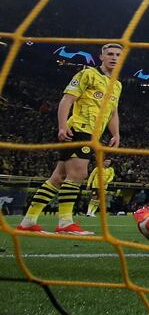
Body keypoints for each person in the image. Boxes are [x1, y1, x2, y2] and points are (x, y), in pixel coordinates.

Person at [17, 43, 123, 235]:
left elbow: (113, 112)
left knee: (58, 177)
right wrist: (62, 125)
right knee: (79, 174)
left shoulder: (117, 85)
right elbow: (67, 99)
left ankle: (28, 221)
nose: (114, 57)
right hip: (79, 129)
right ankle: (65, 223)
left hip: (93, 134)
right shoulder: (87, 74)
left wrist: (115, 134)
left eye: (117, 54)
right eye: (110, 54)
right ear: (101, 57)